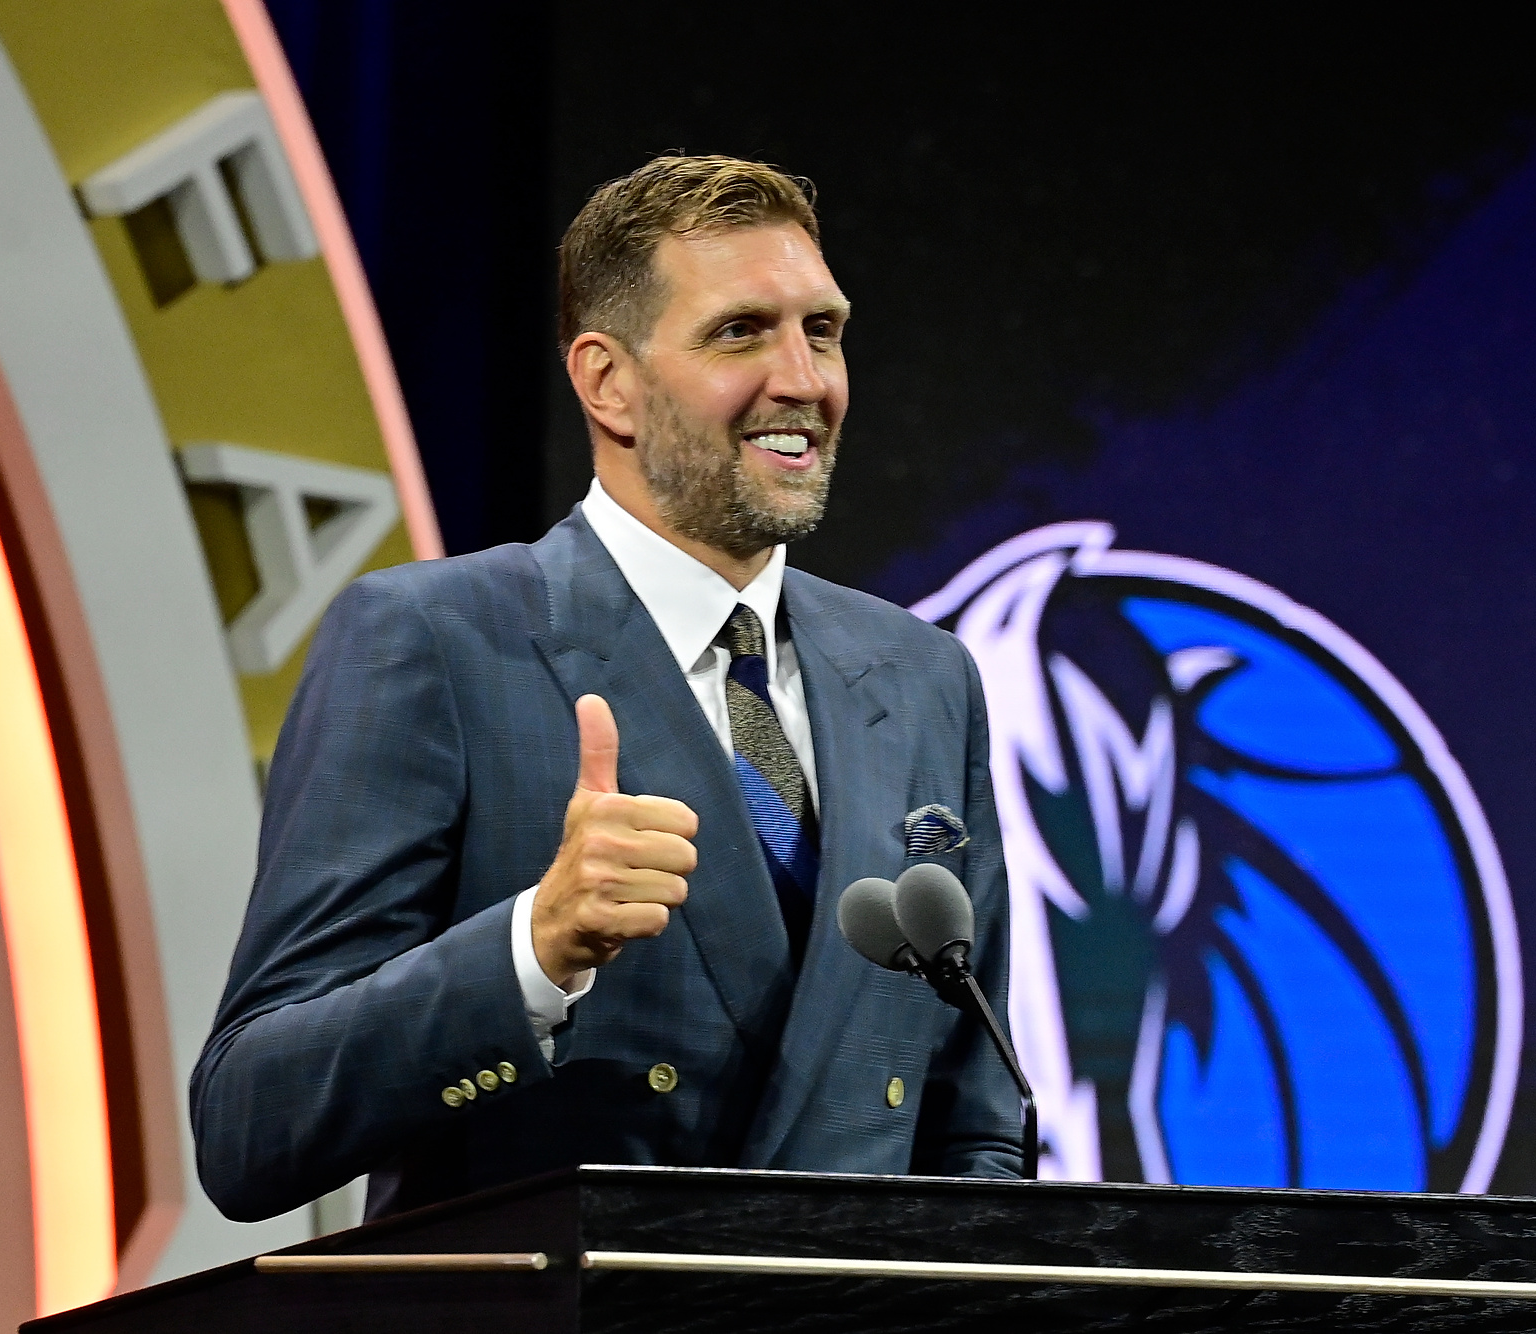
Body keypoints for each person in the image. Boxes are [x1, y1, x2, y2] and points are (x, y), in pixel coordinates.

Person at [190, 155, 1023, 1222]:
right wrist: (529, 948)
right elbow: (250, 1122)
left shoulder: (920, 675)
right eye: (740, 332)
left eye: (820, 329)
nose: (804, 379)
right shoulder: (432, 641)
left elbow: (975, 1125)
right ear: (605, 382)